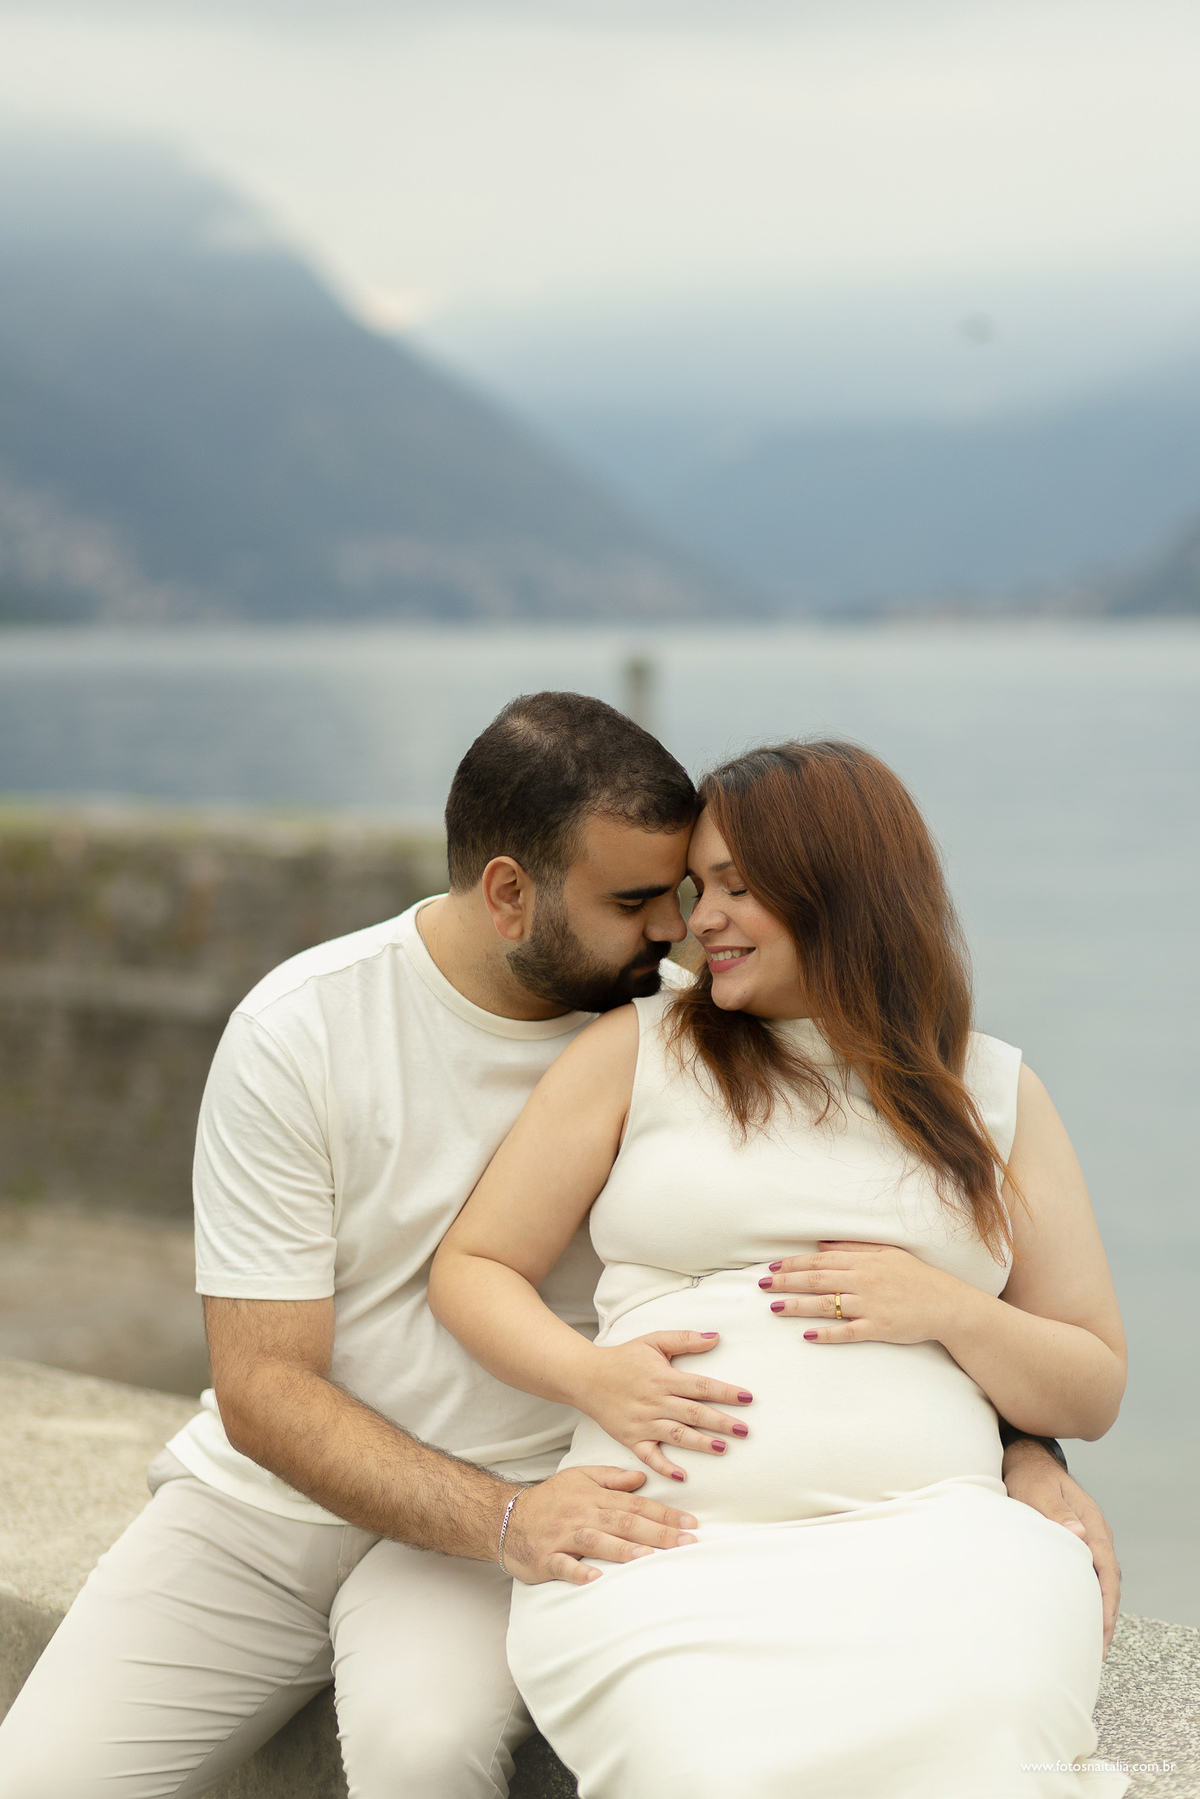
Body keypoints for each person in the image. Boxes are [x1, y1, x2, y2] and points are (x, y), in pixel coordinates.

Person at [0, 699, 1117, 1799]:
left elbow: (909, 1259)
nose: (680, 929)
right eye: (643, 899)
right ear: (509, 894)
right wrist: (512, 1501)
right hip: (289, 1508)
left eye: (693, 891)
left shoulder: (689, 1014)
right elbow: (266, 1386)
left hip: (528, 1501)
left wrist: (1023, 1449)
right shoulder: (306, 1031)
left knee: (423, 1747)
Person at [430, 739, 1130, 1799]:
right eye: (695, 887)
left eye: (736, 888)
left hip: (941, 1541)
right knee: (704, 1765)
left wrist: (951, 1309)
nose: (697, 920)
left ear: (840, 890)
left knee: (992, 1734)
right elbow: (474, 1265)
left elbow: (1092, 1384)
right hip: (669, 1550)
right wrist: (592, 1376)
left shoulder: (990, 1090)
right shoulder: (641, 1048)